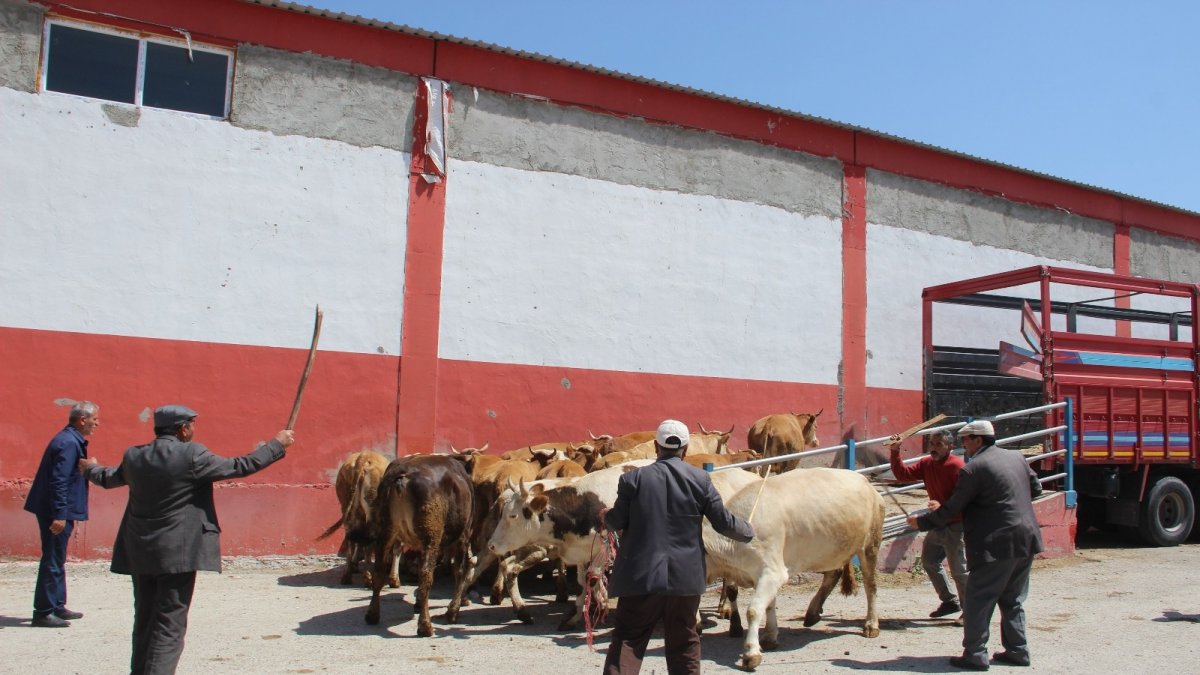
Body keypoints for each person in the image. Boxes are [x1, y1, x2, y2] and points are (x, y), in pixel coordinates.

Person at [80, 405, 295, 675]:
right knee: (169, 624)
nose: (193, 429)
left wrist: (90, 468)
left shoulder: (135, 455)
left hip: (140, 550)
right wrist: (276, 445)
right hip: (176, 554)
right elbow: (241, 466)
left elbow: (109, 478)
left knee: (145, 619)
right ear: (183, 428)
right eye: (192, 424)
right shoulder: (192, 455)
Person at [602, 419, 755, 675]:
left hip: (640, 576)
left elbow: (615, 521)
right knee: (684, 641)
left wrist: (605, 516)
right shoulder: (701, 480)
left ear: (655, 446)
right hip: (685, 578)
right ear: (686, 448)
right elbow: (724, 523)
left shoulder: (632, 480)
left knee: (628, 640)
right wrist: (749, 531)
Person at [907, 420, 1044, 671]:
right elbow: (1036, 489)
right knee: (1012, 599)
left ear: (978, 440)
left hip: (995, 543)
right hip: (1026, 538)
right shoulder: (1016, 457)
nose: (963, 446)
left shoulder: (973, 469)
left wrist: (921, 522)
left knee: (978, 598)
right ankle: (1018, 650)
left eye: (965, 440)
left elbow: (952, 508)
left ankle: (975, 654)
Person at [24, 401, 101, 628]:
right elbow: (58, 481)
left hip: (58, 508)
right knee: (52, 559)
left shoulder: (69, 440)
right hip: (56, 510)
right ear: (82, 420)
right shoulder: (68, 443)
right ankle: (44, 611)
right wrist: (59, 514)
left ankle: (57, 604)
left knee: (57, 558)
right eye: (94, 419)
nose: (96, 424)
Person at [890, 429, 968, 620]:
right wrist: (895, 451)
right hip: (937, 523)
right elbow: (902, 474)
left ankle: (970, 611)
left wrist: (942, 505)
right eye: (931, 444)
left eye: (938, 444)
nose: (933, 448)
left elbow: (964, 500)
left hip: (955, 525)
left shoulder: (958, 467)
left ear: (950, 446)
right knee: (929, 561)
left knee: (959, 570)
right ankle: (950, 601)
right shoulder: (927, 463)